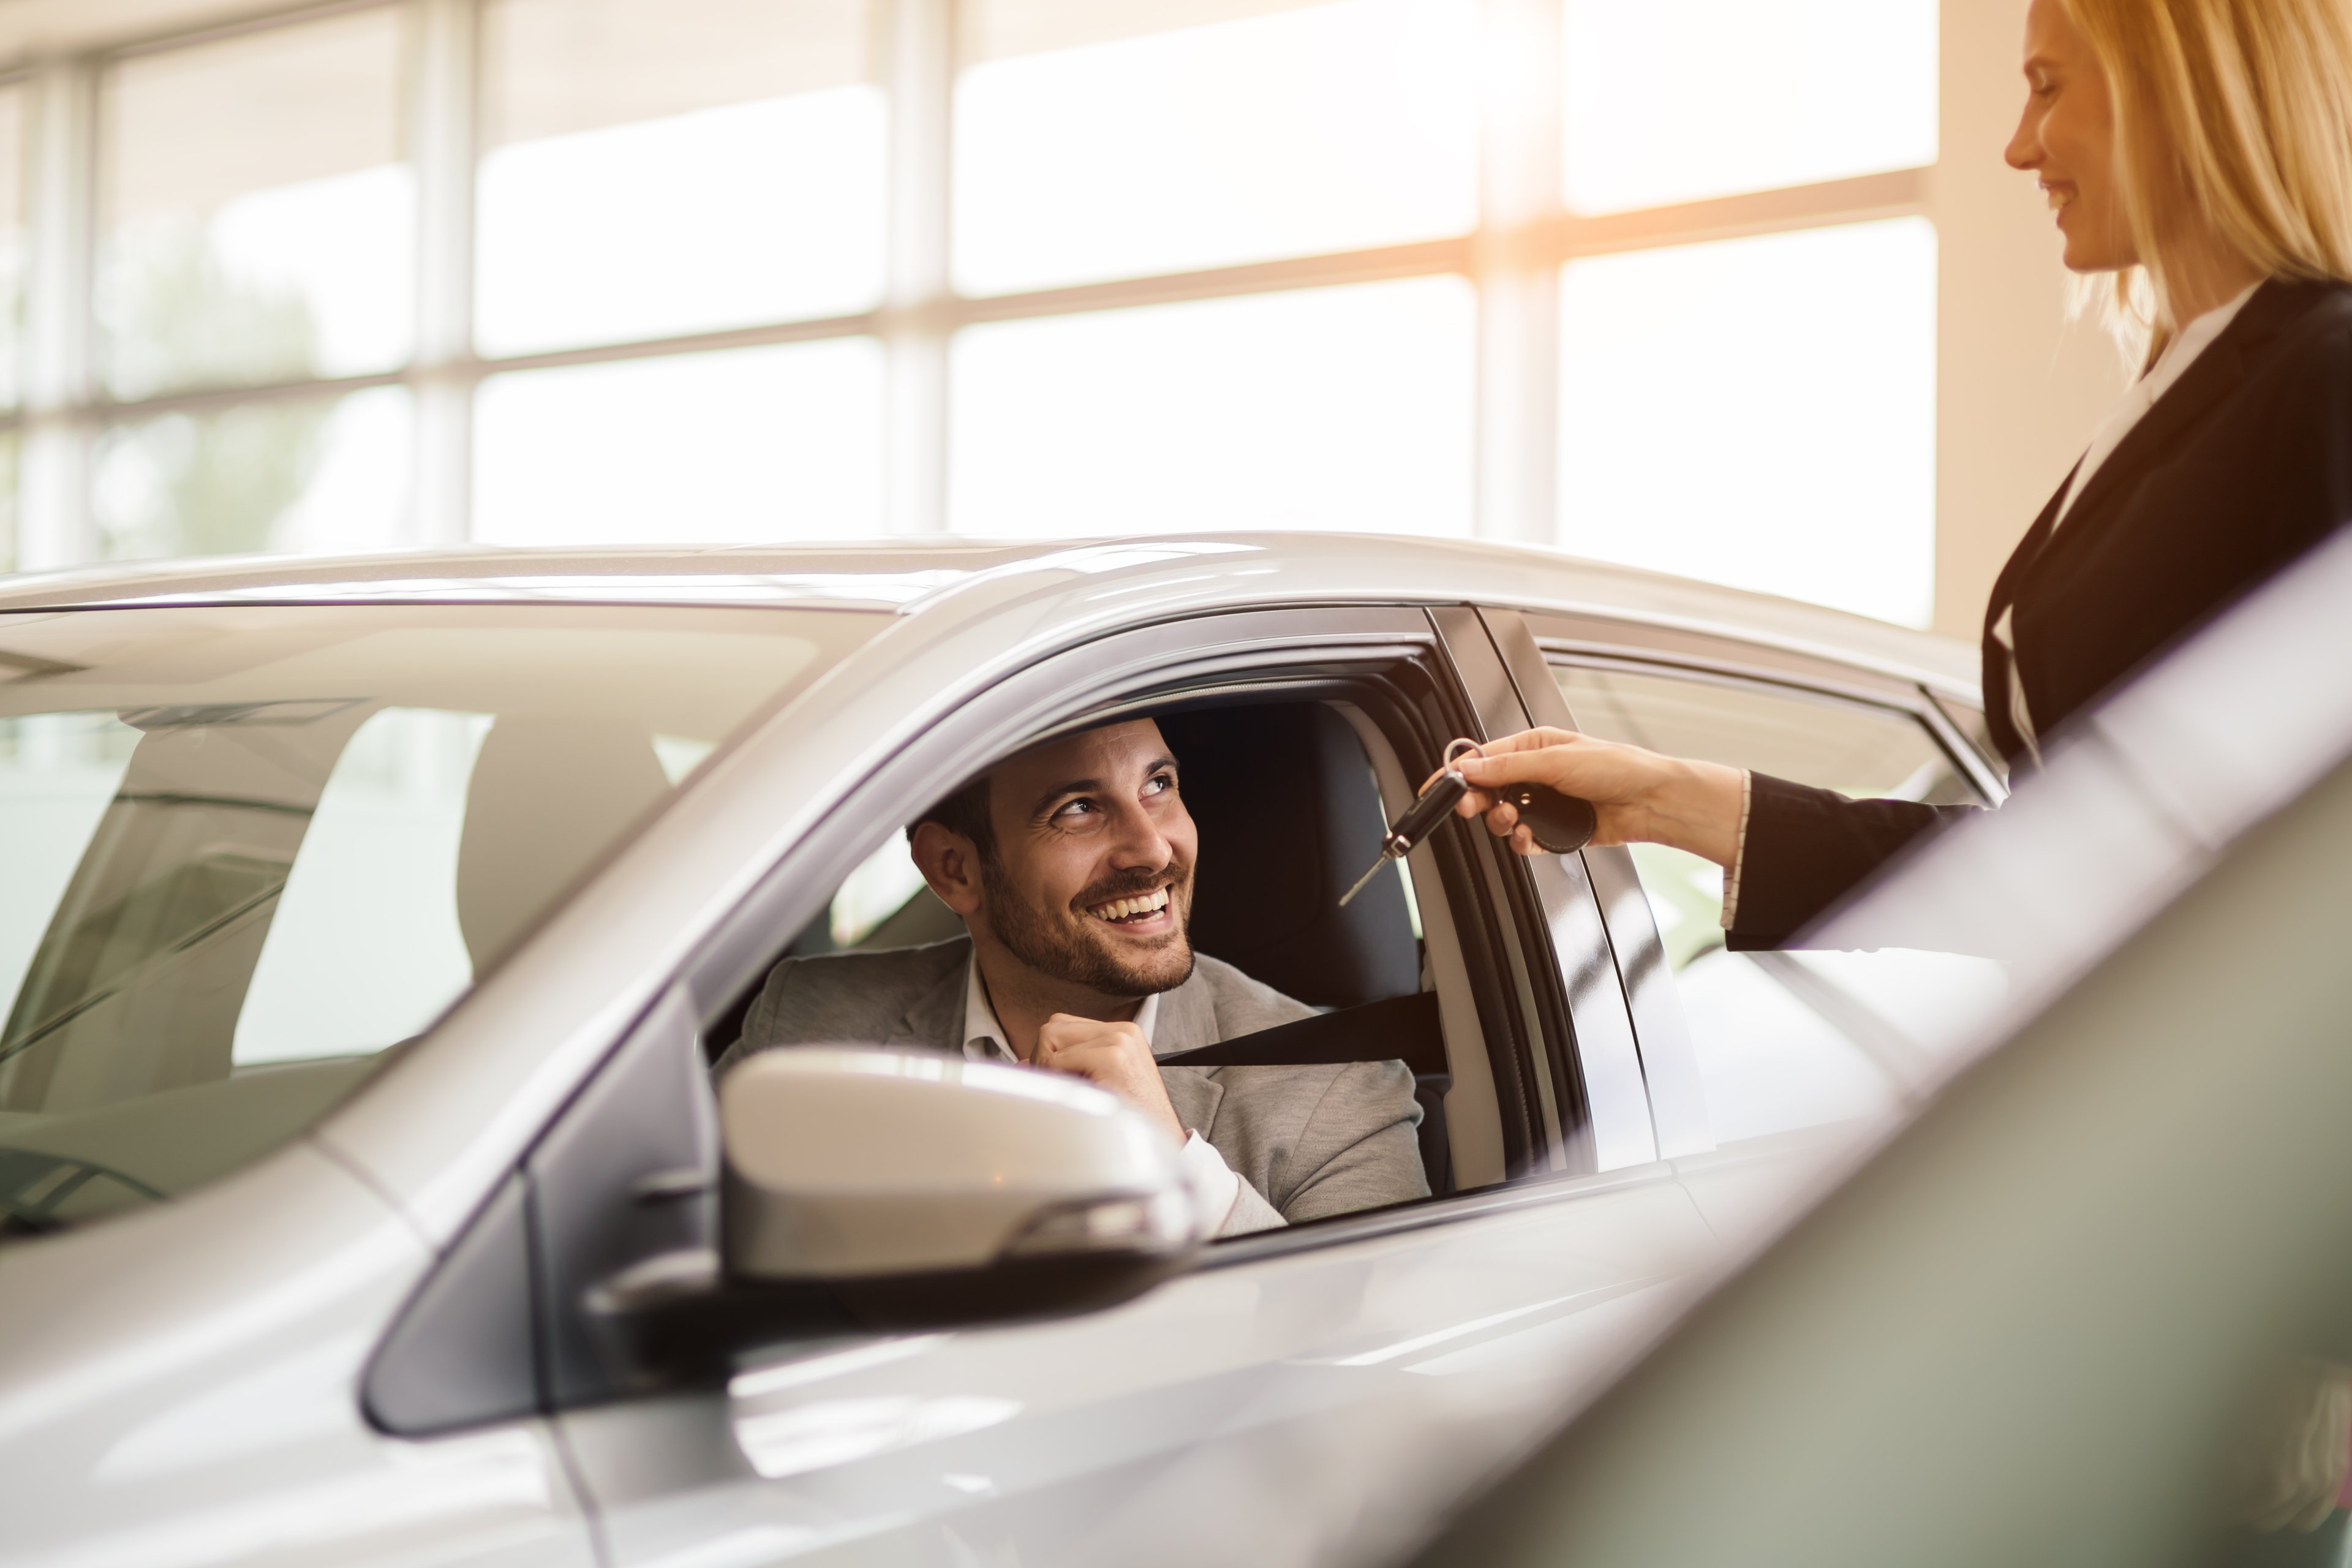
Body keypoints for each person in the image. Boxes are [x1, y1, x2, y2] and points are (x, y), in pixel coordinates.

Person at [1453, 0, 2352, 952]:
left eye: (2048, 88)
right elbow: (2070, 866)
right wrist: (1660, 800)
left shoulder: (2326, 377)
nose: (2017, 147)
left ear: (2181, 88)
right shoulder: (2192, 382)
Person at [715, 717, 1428, 1237]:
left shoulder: (1339, 1087)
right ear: (954, 869)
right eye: (1079, 808)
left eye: (1159, 784)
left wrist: (1179, 1171)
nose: (1153, 849)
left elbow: (1378, 1357)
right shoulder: (808, 1026)